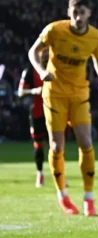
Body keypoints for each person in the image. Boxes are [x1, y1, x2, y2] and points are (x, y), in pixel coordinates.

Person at [28, 0, 98, 216]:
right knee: (56, 147)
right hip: (55, 94)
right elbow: (34, 51)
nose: (78, 17)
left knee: (86, 142)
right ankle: (62, 195)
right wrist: (42, 72)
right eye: (75, 12)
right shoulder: (54, 30)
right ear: (69, 11)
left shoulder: (96, 36)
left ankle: (88, 197)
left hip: (79, 94)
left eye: (83, 12)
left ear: (89, 13)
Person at [17, 50, 49, 188]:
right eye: (44, 53)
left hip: (55, 111)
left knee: (57, 144)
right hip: (37, 113)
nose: (47, 56)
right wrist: (34, 91)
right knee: (39, 144)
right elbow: (20, 92)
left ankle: (59, 175)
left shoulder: (56, 68)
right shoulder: (30, 71)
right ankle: (40, 173)